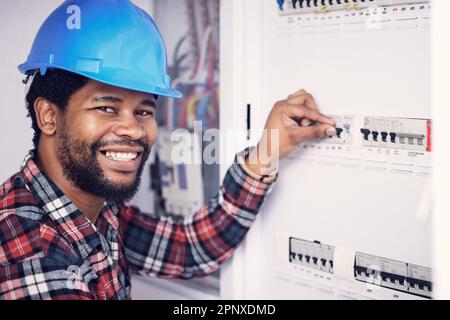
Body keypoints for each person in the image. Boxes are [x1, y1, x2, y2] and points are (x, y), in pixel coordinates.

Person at [0, 0, 336, 300]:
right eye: (107, 107)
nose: (134, 129)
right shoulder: (33, 252)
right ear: (48, 116)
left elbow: (190, 247)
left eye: (144, 111)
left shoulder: (96, 211)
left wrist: (266, 152)